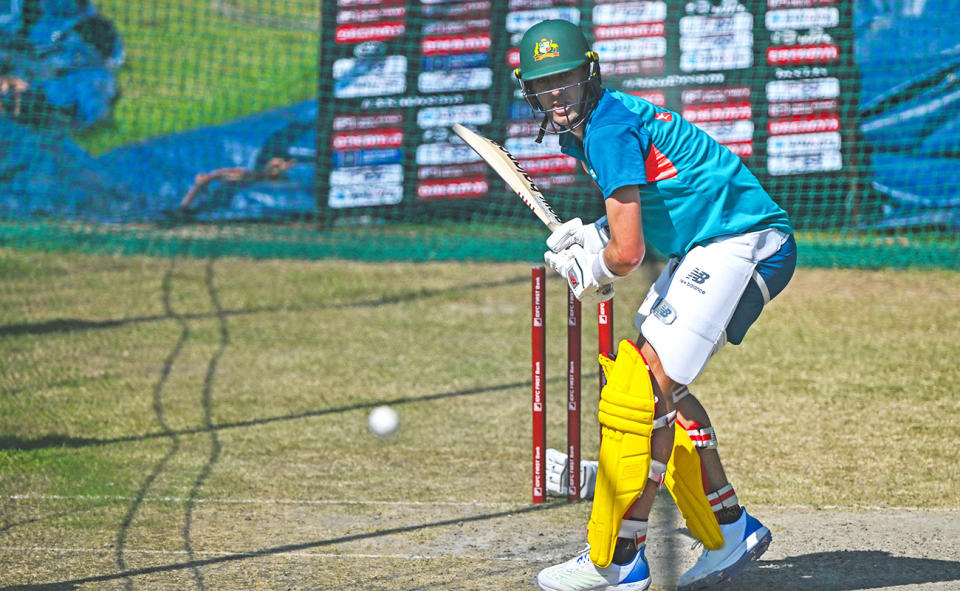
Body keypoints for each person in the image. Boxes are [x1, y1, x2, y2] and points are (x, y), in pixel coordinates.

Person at [514, 19, 797, 591]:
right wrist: (589, 236)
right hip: (713, 239)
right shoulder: (598, 123)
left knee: (640, 393)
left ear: (589, 73)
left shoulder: (607, 127)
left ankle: (618, 560)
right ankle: (727, 528)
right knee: (661, 389)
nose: (557, 96)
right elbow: (656, 201)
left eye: (566, 80)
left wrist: (594, 264)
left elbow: (629, 251)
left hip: (741, 241)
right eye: (544, 86)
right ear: (529, 91)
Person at [179, 156, 295, 211]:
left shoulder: (286, 182)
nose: (275, 168)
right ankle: (183, 208)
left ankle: (184, 208)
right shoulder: (251, 174)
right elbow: (231, 173)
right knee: (204, 181)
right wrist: (211, 177)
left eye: (278, 166)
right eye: (273, 165)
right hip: (223, 193)